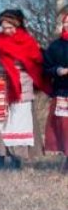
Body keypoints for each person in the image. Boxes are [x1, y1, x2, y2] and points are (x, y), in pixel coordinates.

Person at [0, 9, 50, 169]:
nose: (7, 30)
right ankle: (0, 157)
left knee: (20, 123)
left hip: (21, 88)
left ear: (18, 24)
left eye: (10, 27)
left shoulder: (28, 42)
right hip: (0, 85)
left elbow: (37, 64)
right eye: (4, 27)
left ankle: (20, 158)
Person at [42, 11, 68, 173]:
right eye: (66, 23)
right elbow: (45, 68)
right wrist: (58, 71)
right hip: (63, 91)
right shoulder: (55, 46)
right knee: (64, 127)